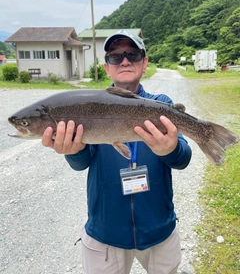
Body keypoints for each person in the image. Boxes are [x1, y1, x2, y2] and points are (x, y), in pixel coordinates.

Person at [42, 29, 192, 274]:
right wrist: (74, 150)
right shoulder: (89, 106)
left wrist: (172, 149)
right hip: (105, 234)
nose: (124, 61)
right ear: (106, 67)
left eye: (132, 55)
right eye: (115, 57)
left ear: (144, 64)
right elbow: (81, 164)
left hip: (159, 231)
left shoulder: (161, 104)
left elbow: (183, 159)